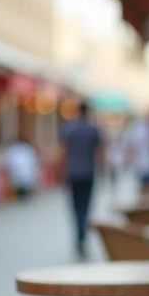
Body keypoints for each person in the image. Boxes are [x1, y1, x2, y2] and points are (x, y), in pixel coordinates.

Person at [58, 101, 101, 258]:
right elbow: (100, 152)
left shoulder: (69, 128)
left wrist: (61, 173)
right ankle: (82, 237)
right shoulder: (92, 129)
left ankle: (79, 236)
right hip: (88, 173)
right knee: (85, 207)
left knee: (75, 208)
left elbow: (63, 152)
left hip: (73, 173)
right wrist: (103, 171)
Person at [4, 134, 40, 200]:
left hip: (21, 179)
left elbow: (8, 164)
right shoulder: (28, 149)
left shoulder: (14, 150)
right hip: (24, 179)